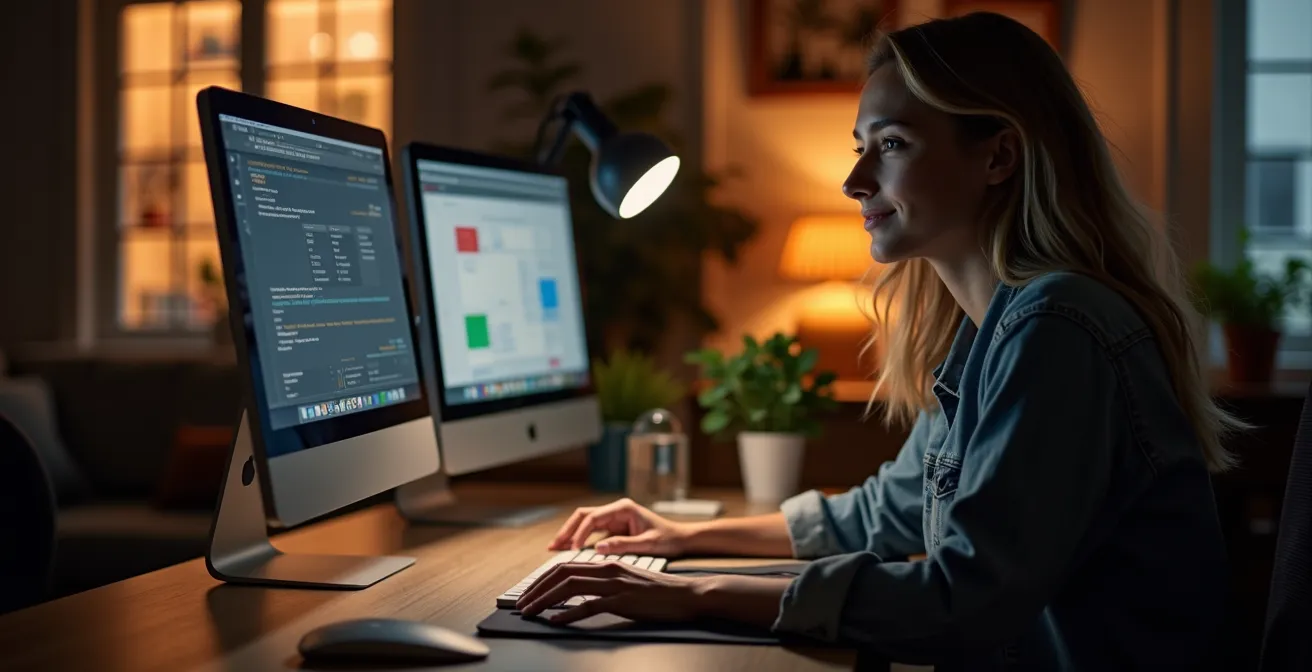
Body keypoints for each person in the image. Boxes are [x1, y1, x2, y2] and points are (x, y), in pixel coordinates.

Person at [516, 12, 1233, 670]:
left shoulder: (1057, 329)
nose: (855, 180)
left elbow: (964, 600)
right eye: (862, 147)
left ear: (998, 157)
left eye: (891, 145)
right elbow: (883, 512)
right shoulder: (988, 330)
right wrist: (677, 539)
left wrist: (690, 595)